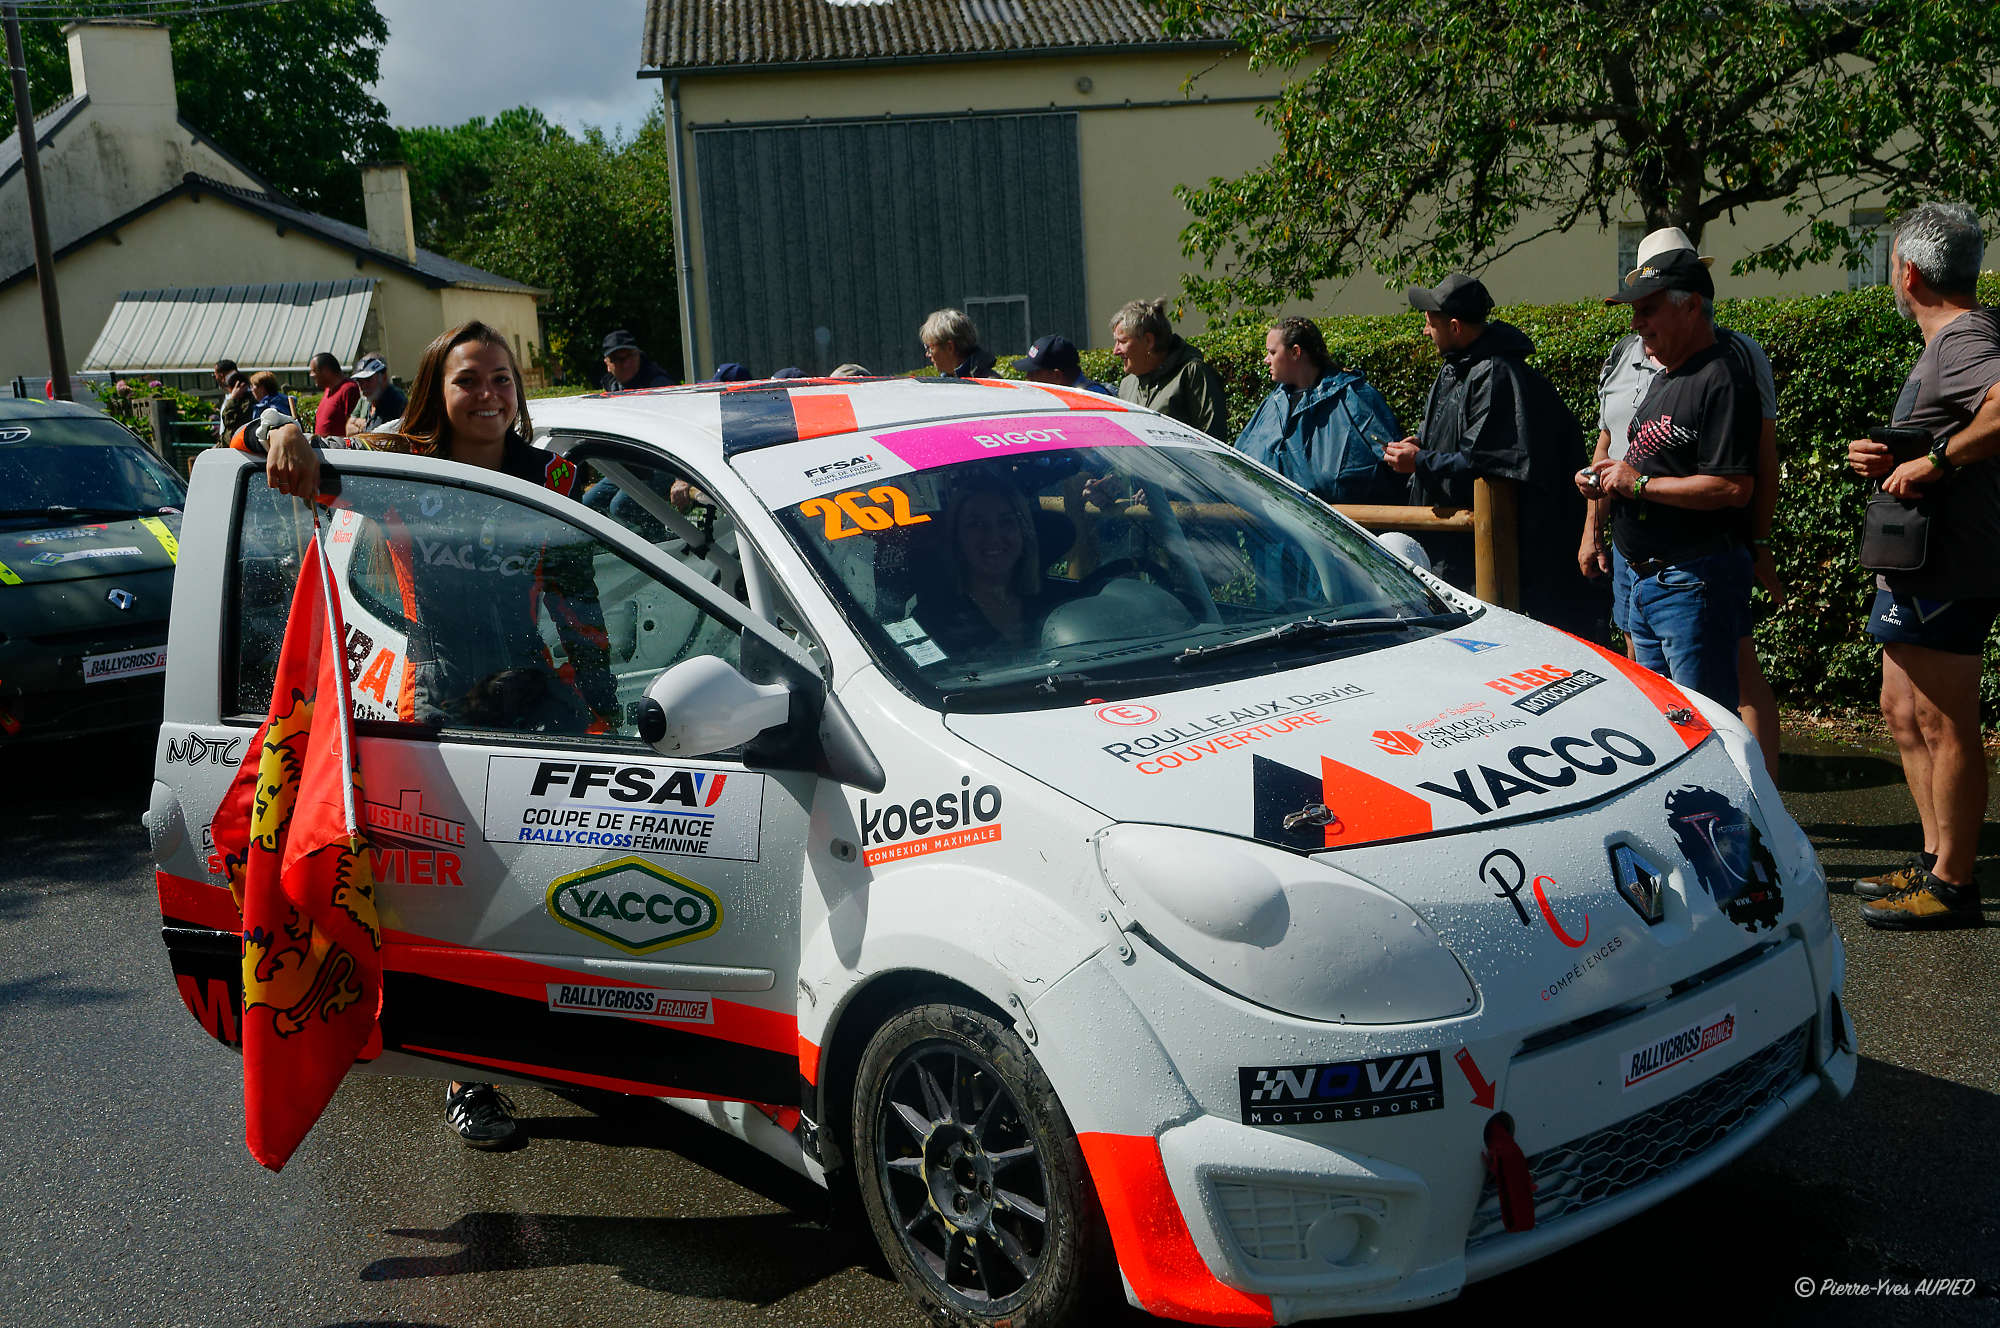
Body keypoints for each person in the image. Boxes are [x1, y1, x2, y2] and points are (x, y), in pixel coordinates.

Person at [263, 320, 618, 1146]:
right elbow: (265, 445)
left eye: (502, 379)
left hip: (535, 694)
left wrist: (602, 708)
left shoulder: (553, 474)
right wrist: (281, 428)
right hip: (439, 700)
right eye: (469, 381)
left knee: (560, 876)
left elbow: (580, 600)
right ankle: (468, 1075)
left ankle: (583, 1034)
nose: (489, 394)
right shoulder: (401, 464)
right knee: (461, 895)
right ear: (438, 389)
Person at [1844, 202, 2000, 930]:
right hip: (1918, 568)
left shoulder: (1965, 337)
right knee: (1902, 712)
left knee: (1944, 721)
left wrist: (1934, 459)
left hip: (1949, 566)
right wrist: (1894, 455)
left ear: (1905, 272)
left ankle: (1955, 886)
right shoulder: (1952, 341)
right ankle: (1935, 861)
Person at [1585, 228, 1784, 777]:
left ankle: (1737, 835)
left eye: (1648, 310)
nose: (1636, 323)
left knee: (1703, 727)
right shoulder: (1659, 370)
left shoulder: (1727, 372)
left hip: (1689, 580)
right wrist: (1604, 485)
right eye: (1635, 311)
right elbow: (1626, 448)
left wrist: (1637, 486)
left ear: (1691, 305)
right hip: (1643, 574)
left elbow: (1733, 486)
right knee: (1662, 721)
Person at [1384, 274, 1594, 633]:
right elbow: (1453, 441)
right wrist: (1420, 445)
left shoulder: (1497, 374)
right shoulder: (1457, 367)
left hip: (1511, 559)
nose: (1425, 332)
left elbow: (1486, 460)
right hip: (1458, 547)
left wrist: (1417, 461)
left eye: (1430, 324)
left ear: (1454, 326)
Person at [1234, 316, 1403, 505]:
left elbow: (1392, 462)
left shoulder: (1354, 397)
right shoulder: (1274, 403)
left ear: (1295, 352)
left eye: (1272, 352)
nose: (1266, 360)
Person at [912, 480, 1071, 655]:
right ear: (956, 538)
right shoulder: (930, 619)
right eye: (977, 524)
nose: (994, 537)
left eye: (1005, 522)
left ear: (1024, 532)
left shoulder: (1059, 601)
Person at [1111, 297, 1228, 438]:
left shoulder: (1193, 374)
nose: (1115, 351)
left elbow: (1214, 442)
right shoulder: (1127, 386)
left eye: (1122, 341)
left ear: (1148, 341)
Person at [1014, 335, 1113, 394]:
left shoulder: (1092, 398)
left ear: (1056, 376)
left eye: (1034, 372)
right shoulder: (1059, 397)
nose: (1028, 377)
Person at [920, 310, 996, 379]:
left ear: (949, 347)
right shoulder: (948, 381)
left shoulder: (989, 386)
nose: (927, 355)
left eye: (929, 348)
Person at [601, 330, 676, 391]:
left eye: (629, 356)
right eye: (617, 359)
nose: (625, 364)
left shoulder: (660, 386)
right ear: (607, 365)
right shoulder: (610, 385)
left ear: (638, 356)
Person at [350, 355, 407, 432]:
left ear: (384, 377)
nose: (363, 386)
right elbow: (348, 429)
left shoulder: (394, 402)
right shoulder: (371, 398)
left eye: (368, 379)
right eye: (359, 381)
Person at [310, 353, 362, 436]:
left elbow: (354, 427)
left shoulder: (349, 389)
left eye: (314, 371)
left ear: (326, 371)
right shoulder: (328, 390)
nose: (311, 375)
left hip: (339, 448)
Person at [216, 372, 255, 444]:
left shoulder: (248, 402)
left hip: (236, 444)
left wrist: (233, 398)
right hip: (228, 442)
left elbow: (229, 421)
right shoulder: (236, 401)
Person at [212, 358, 240, 439]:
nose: (215, 379)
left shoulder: (240, 396)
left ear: (221, 376)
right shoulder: (229, 395)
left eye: (214, 376)